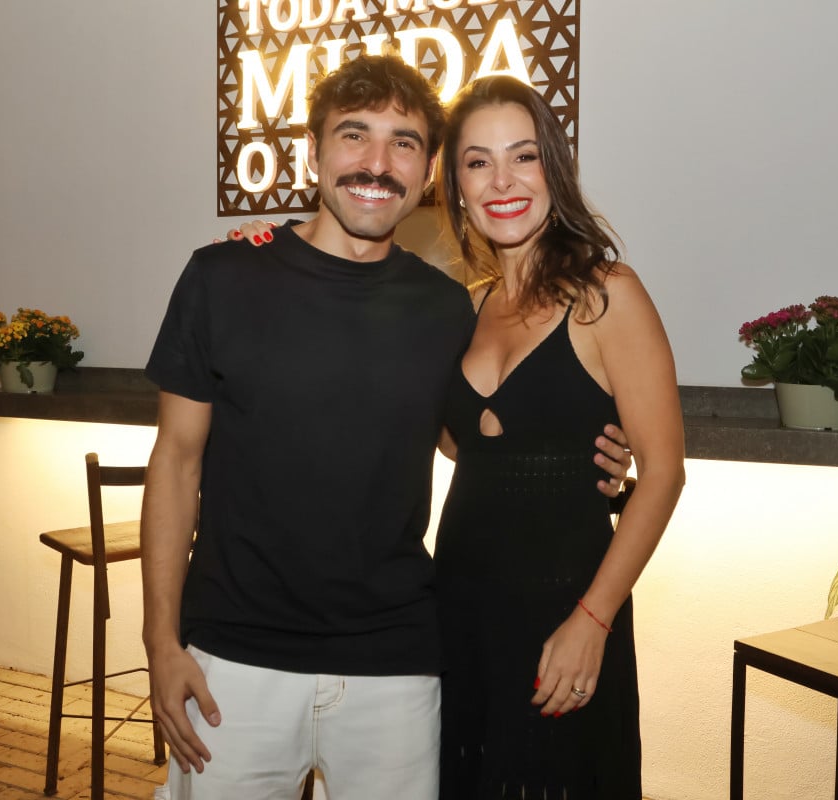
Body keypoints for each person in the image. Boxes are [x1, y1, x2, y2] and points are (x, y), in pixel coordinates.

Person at [142, 54, 632, 800]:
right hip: (235, 663)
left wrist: (581, 456)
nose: (376, 163)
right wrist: (160, 641)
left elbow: (477, 436)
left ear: (429, 169)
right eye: (354, 135)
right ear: (313, 151)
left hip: (397, 666)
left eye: (403, 143)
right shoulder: (221, 277)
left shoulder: (447, 308)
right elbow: (175, 463)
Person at [432, 76, 685, 799]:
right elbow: (461, 443)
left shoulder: (608, 294)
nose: (502, 180)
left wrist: (593, 620)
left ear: (555, 169)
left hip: (565, 609)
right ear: (457, 187)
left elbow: (664, 474)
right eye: (478, 162)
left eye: (524, 156)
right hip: (459, 606)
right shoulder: (466, 307)